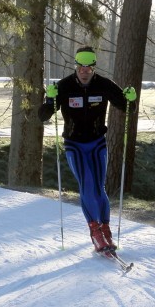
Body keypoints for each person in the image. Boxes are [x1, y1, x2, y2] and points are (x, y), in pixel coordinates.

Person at [38, 46, 137, 252]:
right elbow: (43, 116)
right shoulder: (64, 86)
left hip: (97, 143)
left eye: (88, 66)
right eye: (80, 66)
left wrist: (131, 98)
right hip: (74, 145)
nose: (84, 70)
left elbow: (128, 107)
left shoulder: (104, 85)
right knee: (87, 186)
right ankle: (95, 232)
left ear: (93, 67)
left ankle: (106, 229)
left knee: (99, 189)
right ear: (76, 66)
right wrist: (49, 98)